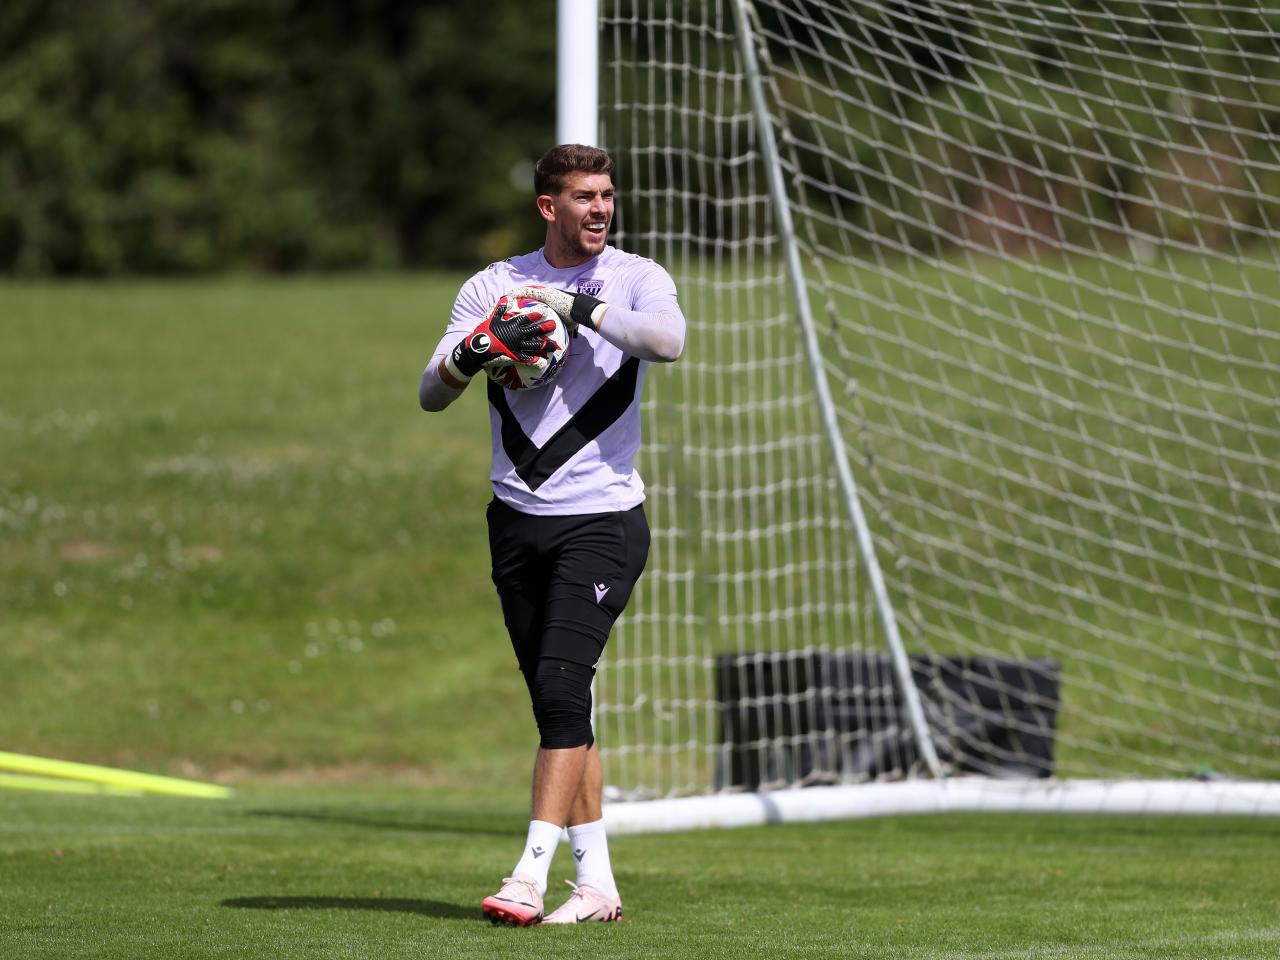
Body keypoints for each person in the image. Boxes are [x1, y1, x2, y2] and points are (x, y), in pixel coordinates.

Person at [418, 144, 686, 925]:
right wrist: (477, 351)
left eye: (607, 194)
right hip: (515, 523)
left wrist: (576, 309)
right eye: (584, 196)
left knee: (565, 689)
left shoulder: (637, 277)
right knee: (558, 709)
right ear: (548, 206)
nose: (601, 208)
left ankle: (527, 877)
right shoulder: (492, 286)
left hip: (603, 523)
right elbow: (431, 392)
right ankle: (597, 886)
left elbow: (666, 342)